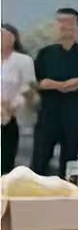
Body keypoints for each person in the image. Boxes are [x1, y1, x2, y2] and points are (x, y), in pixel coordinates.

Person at [30, 8, 78, 179]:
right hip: (48, 112)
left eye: (70, 23)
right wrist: (53, 85)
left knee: (70, 159)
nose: (65, 26)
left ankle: (67, 191)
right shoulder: (45, 53)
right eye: (61, 22)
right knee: (40, 158)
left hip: (73, 112)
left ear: (77, 27)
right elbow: (35, 81)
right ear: (55, 26)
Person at [2, 24, 35, 170]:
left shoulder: (23, 60)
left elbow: (27, 87)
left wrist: (12, 105)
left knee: (5, 160)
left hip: (9, 115)